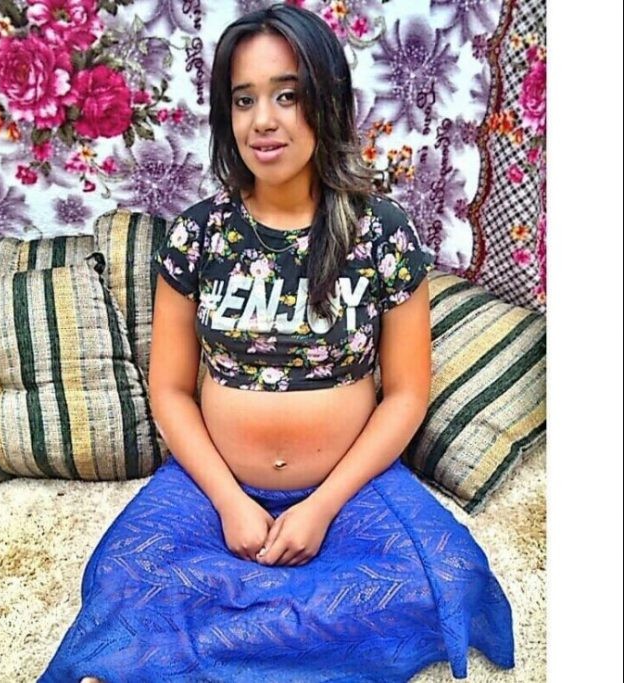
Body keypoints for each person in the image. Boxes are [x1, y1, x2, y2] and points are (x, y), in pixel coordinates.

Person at [40, 4, 514, 681]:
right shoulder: (198, 234)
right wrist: (231, 502)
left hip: (351, 487)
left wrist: (321, 507)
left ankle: (250, 633)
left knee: (446, 575)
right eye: (244, 100)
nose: (263, 120)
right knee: (123, 579)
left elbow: (408, 394)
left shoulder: (381, 231)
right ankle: (287, 631)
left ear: (327, 101)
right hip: (212, 485)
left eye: (287, 96)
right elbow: (169, 390)